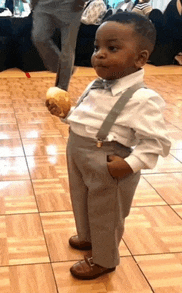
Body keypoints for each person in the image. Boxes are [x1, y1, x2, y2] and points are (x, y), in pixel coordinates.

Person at [46, 12, 171, 280]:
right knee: (81, 199)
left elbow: (157, 141)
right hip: (77, 151)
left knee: (107, 211)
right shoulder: (95, 84)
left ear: (140, 58)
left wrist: (130, 164)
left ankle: (104, 259)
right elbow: (83, 116)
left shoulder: (143, 99)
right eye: (96, 47)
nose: (99, 55)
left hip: (108, 161)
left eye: (112, 48)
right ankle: (90, 237)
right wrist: (65, 114)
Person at [31, 0, 86, 91]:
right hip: (44, 4)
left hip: (70, 5)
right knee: (39, 37)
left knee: (67, 49)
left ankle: (61, 90)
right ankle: (66, 68)